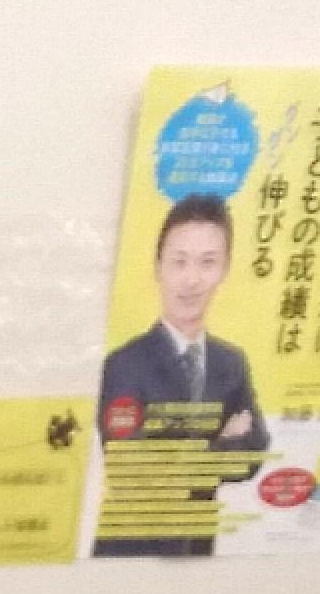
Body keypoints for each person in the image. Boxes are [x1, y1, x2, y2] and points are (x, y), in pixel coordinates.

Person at [95, 194, 269, 559]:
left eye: (208, 262)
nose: (192, 280)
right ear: (158, 266)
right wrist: (221, 445)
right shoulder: (125, 364)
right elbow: (133, 468)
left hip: (199, 552)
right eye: (179, 262)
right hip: (128, 554)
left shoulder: (231, 362)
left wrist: (174, 450)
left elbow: (254, 452)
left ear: (224, 269)